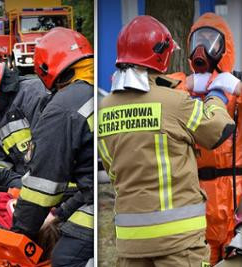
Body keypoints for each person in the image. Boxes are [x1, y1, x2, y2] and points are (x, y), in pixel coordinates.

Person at [99, 15, 236, 266]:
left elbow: (111, 167)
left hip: (130, 241)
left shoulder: (104, 108)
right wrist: (217, 94)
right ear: (161, 55)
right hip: (178, 241)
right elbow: (219, 128)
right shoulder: (175, 102)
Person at [11, 27, 95, 267]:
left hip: (104, 201)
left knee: (66, 258)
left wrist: (19, 233)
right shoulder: (100, 88)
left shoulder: (62, 108)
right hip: (115, 193)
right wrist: (59, 214)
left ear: (47, 70)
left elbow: (42, 185)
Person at [172, 13, 242, 264]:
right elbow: (157, 94)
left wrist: (235, 88)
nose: (202, 50)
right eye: (197, 43)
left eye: (211, 42)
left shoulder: (235, 86)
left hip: (235, 195)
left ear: (225, 48)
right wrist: (188, 83)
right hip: (197, 194)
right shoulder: (182, 89)